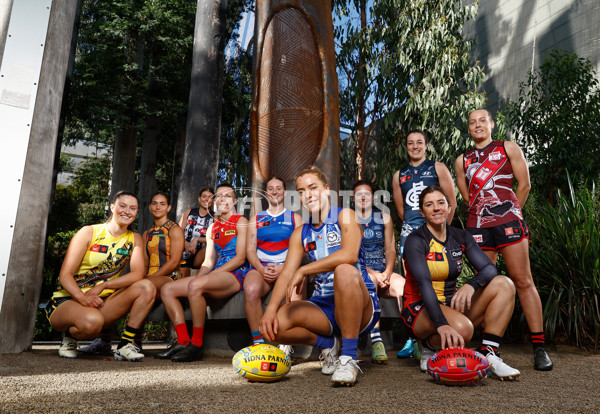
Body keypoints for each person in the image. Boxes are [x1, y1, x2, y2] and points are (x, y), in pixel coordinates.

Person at [260, 167, 380, 387]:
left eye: (313, 187)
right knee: (275, 325)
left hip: (360, 305)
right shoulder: (301, 233)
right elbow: (286, 273)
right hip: (324, 309)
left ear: (326, 190)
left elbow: (349, 254)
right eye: (302, 191)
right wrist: (269, 311)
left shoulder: (345, 216)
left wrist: (304, 270)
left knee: (344, 269)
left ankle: (349, 358)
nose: (308, 194)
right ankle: (328, 344)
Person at [454, 108, 553, 371]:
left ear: (491, 124)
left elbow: (525, 185)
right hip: (478, 225)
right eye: (472, 122)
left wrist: (512, 214)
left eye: (482, 121)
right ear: (468, 128)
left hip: (508, 222)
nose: (477, 125)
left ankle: (539, 347)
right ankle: (489, 347)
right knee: (487, 283)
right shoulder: (461, 159)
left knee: (522, 281)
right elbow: (467, 197)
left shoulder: (508, 147)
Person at [402, 186, 520, 380]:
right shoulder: (416, 240)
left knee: (504, 284)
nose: (436, 208)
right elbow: (424, 284)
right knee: (463, 329)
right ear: (422, 212)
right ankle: (428, 345)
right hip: (419, 307)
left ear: (449, 207)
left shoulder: (460, 236)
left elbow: (489, 269)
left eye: (441, 203)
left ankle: (489, 354)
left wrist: (470, 285)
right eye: (429, 205)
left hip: (450, 305)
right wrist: (441, 324)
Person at [45, 191, 155, 361]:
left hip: (101, 300)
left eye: (132, 208)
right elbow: (65, 275)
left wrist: (104, 286)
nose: (127, 211)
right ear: (112, 207)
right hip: (68, 299)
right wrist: (82, 298)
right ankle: (69, 336)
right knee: (92, 322)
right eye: (122, 206)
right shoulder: (89, 232)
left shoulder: (134, 238)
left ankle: (124, 345)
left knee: (147, 286)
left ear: (136, 213)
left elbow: (138, 274)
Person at [156, 183, 249, 362]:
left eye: (227, 196)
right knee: (168, 290)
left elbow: (240, 258)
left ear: (235, 201)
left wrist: (207, 278)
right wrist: (197, 280)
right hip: (216, 273)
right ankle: (183, 341)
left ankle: (196, 344)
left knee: (196, 284)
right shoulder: (213, 228)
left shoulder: (241, 221)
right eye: (219, 196)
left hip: (236, 273)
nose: (222, 199)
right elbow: (207, 261)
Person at [391, 129, 456, 358]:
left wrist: (441, 231)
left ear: (426, 145)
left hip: (437, 233)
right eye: (410, 143)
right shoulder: (399, 175)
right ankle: (411, 337)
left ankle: (434, 332)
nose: (415, 146)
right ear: (406, 147)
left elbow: (451, 202)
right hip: (411, 233)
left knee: (435, 280)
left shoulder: (438, 168)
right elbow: (402, 210)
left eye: (419, 142)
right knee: (409, 286)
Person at [244, 177, 303, 352]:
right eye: (270, 188)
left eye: (278, 188)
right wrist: (261, 269)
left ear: (284, 192)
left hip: (287, 267)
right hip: (262, 267)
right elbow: (249, 250)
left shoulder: (295, 217)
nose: (275, 191)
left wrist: (284, 268)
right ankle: (258, 343)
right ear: (265, 193)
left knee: (297, 285)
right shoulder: (256, 218)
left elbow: (302, 249)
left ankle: (286, 344)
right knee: (251, 289)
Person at [352, 179, 405, 364]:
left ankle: (415, 340)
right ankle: (377, 342)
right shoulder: (349, 219)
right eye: (359, 194)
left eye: (367, 193)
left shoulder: (384, 217)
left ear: (373, 197)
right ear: (353, 197)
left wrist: (388, 273)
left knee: (404, 287)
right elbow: (352, 255)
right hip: (363, 272)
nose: (363, 197)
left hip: (384, 272)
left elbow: (390, 249)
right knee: (371, 283)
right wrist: (374, 274)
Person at [178, 188, 215, 278]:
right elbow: (177, 232)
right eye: (204, 196)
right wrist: (185, 243)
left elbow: (215, 238)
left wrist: (197, 239)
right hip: (183, 250)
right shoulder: (189, 212)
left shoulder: (215, 217)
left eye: (210, 197)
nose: (206, 199)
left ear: (213, 200)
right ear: (199, 198)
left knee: (213, 248)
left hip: (200, 255)